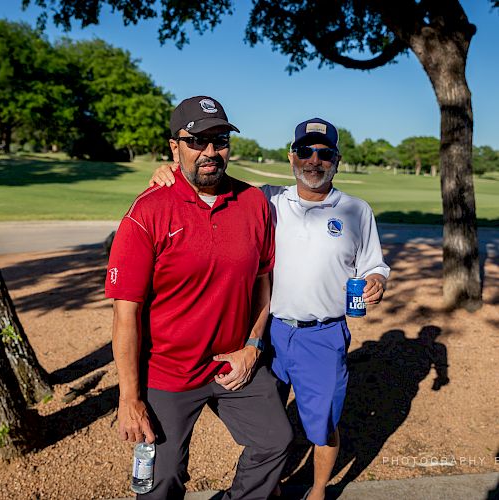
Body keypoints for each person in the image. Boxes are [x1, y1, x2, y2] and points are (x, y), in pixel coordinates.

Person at [151, 117, 390, 500]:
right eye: (304, 151)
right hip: (270, 331)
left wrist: (377, 280)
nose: (314, 160)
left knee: (323, 422)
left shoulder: (356, 210)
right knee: (269, 422)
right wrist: (169, 170)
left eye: (324, 153)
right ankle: (271, 488)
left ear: (337, 159)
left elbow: (374, 264)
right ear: (291, 156)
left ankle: (316, 492)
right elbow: (207, 179)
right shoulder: (266, 198)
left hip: (324, 333)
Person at [106, 95, 293, 500]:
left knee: (275, 441)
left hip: (232, 363)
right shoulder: (147, 211)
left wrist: (252, 346)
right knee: (161, 482)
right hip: (168, 373)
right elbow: (126, 314)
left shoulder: (254, 202)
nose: (211, 151)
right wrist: (129, 397)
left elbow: (263, 282)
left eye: (220, 139)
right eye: (197, 141)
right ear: (175, 148)